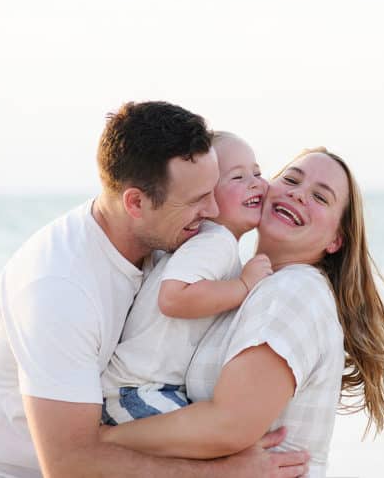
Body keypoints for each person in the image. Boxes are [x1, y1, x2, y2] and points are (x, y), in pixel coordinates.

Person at [0, 102, 309, 478]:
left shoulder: (165, 237)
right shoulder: (59, 289)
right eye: (197, 200)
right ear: (136, 203)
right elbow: (69, 464)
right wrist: (227, 473)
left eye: (213, 190)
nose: (213, 210)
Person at [99, 148, 384, 477]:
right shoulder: (243, 286)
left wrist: (101, 439)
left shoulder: (293, 291)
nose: (298, 194)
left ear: (336, 240)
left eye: (320, 198)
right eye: (291, 180)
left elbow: (229, 425)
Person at [101, 131, 272, 424]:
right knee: (208, 449)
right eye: (238, 177)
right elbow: (173, 297)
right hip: (136, 390)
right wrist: (244, 286)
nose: (256, 183)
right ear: (206, 194)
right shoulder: (214, 242)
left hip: (151, 389)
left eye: (257, 172)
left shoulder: (206, 242)